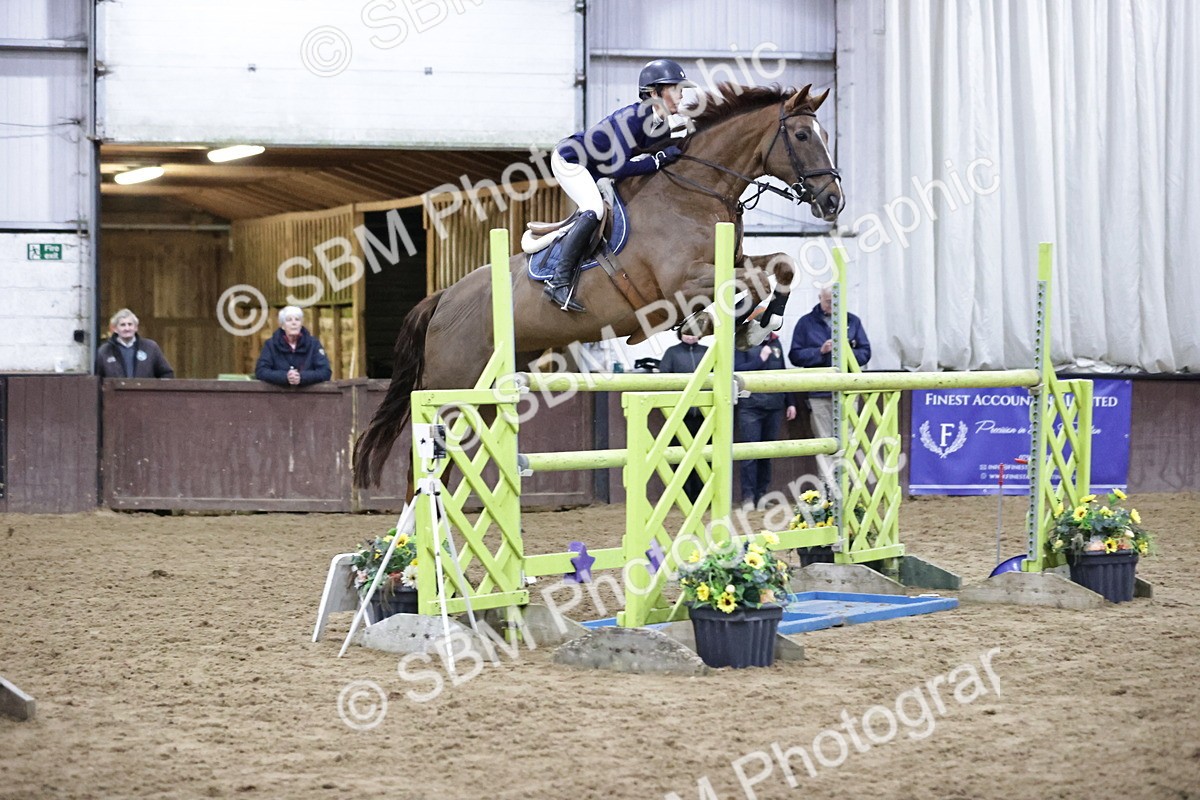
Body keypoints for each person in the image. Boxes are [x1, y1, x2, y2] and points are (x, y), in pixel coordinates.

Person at [545, 58, 690, 312]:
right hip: (571, 161)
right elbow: (619, 168)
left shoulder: (660, 124)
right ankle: (558, 282)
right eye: (675, 89)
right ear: (654, 93)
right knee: (594, 209)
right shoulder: (631, 119)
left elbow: (666, 152)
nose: (681, 96)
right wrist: (657, 160)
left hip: (596, 168)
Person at [789, 287, 871, 490]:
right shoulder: (805, 323)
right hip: (819, 391)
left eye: (835, 302)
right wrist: (820, 351)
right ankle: (828, 488)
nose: (831, 306)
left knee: (849, 439)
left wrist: (847, 351)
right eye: (827, 302)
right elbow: (795, 356)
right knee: (825, 441)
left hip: (848, 390)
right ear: (819, 299)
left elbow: (866, 353)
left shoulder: (853, 321)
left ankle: (847, 486)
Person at [734, 332, 797, 509]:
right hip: (750, 406)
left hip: (774, 405)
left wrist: (790, 402)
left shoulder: (776, 342)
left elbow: (783, 373)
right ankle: (748, 496)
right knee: (750, 453)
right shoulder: (741, 341)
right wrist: (760, 360)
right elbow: (736, 371)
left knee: (767, 453)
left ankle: (761, 495)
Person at [656, 331, 709, 504]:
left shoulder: (708, 352)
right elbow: (664, 380)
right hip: (681, 415)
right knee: (680, 457)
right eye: (686, 332)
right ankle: (682, 497)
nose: (690, 336)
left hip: (705, 414)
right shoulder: (672, 352)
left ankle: (702, 497)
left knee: (704, 456)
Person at [255, 306, 332, 387]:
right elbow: (261, 371)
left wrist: (302, 377)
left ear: (301, 324)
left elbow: (325, 372)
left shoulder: (314, 344)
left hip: (309, 395)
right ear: (283, 325)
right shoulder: (271, 345)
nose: (294, 323)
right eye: (289, 320)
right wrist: (285, 377)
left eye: (297, 319)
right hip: (278, 395)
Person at [94, 308, 174, 378]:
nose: (127, 328)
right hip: (115, 395)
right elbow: (97, 379)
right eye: (122, 325)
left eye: (130, 324)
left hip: (144, 395)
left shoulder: (151, 347)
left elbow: (167, 373)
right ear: (115, 329)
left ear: (136, 328)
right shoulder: (104, 351)